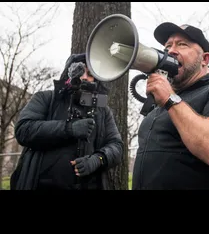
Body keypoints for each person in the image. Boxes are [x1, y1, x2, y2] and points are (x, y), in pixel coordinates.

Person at [132, 22, 209, 190]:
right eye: (167, 46)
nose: (171, 51)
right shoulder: (164, 103)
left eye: (182, 44)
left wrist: (169, 99)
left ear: (205, 59)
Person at [11, 53, 124, 190]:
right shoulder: (46, 98)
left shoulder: (103, 111)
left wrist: (98, 159)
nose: (84, 77)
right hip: (42, 185)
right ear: (69, 74)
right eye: (80, 71)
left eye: (90, 73)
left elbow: (116, 146)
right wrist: (68, 129)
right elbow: (23, 129)